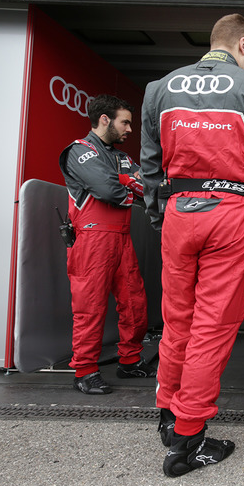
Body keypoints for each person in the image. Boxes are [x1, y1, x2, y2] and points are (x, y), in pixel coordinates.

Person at [140, 14, 244, 477]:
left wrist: (161, 217)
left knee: (176, 320)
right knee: (213, 327)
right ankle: (189, 441)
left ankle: (168, 412)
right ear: (243, 45)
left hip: (179, 213)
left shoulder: (157, 89)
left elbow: (149, 166)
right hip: (233, 213)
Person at [59, 94, 154, 396]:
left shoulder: (121, 157)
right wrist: (128, 184)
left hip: (121, 239)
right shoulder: (79, 151)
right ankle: (85, 371)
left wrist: (126, 181)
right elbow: (108, 190)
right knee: (90, 308)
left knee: (135, 302)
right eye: (125, 122)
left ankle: (130, 361)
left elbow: (149, 187)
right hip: (91, 240)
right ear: (104, 120)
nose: (129, 129)